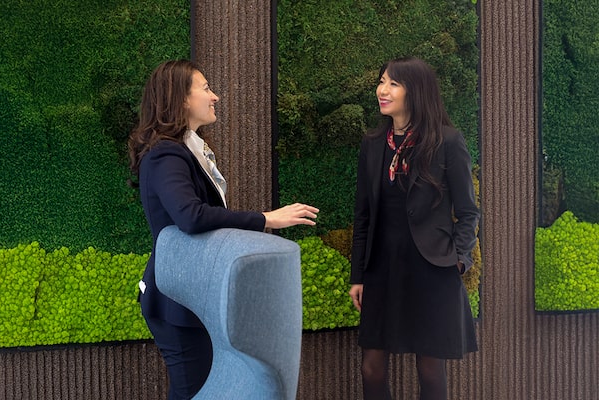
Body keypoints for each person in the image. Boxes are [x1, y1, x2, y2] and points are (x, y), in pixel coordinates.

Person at [127, 59, 319, 400]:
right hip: (176, 300)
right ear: (181, 99)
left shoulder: (187, 148)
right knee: (191, 391)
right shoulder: (166, 155)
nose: (214, 96)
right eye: (205, 89)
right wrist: (266, 219)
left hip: (192, 294)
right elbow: (191, 216)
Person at [349, 57, 479, 400]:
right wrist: (358, 275)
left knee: (430, 369)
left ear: (416, 91)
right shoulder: (373, 144)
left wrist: (459, 259)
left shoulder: (447, 142)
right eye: (381, 81)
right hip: (382, 270)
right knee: (371, 368)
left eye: (393, 83)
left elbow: (468, 212)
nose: (382, 90)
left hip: (432, 270)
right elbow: (363, 216)